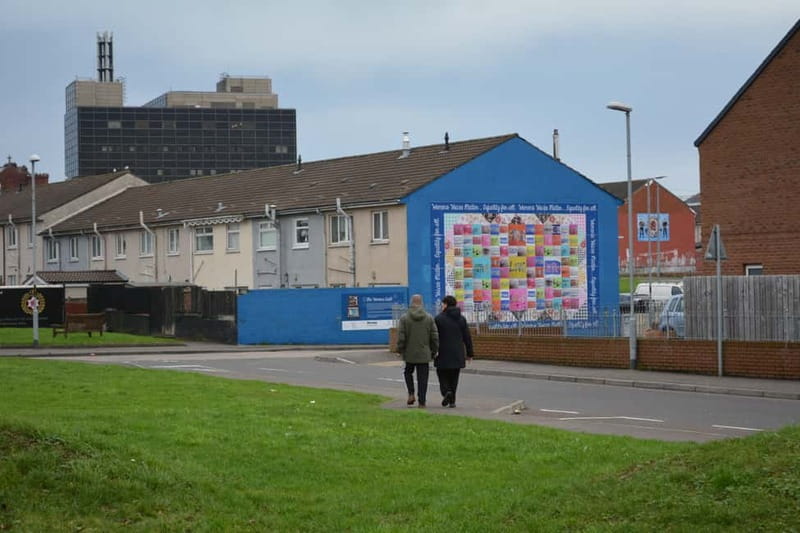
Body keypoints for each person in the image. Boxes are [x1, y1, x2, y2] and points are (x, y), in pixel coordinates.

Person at [396, 294, 439, 408]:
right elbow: (434, 336)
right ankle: (422, 401)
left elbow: (401, 337)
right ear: (422, 303)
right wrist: (434, 350)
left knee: (408, 372)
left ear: (411, 303)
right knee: (423, 378)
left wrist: (400, 349)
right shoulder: (429, 318)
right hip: (424, 353)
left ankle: (411, 393)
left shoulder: (404, 318)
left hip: (409, 353)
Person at [434, 295, 474, 408]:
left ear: (446, 304)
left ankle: (446, 392)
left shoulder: (438, 319)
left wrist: (433, 350)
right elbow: (467, 337)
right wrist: (470, 353)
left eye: (442, 304)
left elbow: (434, 337)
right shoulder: (461, 319)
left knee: (442, 375)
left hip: (442, 352)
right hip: (457, 353)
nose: (442, 306)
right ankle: (452, 401)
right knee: (454, 377)